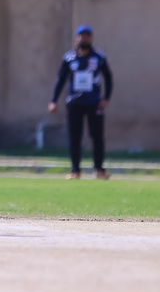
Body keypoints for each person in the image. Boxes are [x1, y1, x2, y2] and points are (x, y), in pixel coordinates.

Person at [48, 24, 114, 179]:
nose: (84, 39)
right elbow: (61, 79)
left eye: (87, 36)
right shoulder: (69, 58)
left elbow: (109, 78)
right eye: (81, 36)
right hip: (74, 102)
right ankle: (75, 170)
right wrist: (53, 100)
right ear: (77, 38)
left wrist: (106, 98)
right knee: (74, 136)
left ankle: (99, 169)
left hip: (94, 102)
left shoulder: (99, 57)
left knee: (97, 136)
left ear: (91, 38)